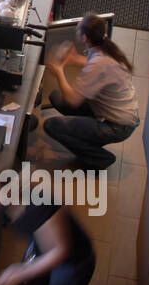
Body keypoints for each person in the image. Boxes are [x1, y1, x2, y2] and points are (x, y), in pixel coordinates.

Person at [40, 12, 142, 169]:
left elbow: (73, 100)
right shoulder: (107, 49)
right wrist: (74, 59)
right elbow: (97, 65)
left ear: (85, 38)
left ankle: (99, 158)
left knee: (52, 125)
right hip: (118, 114)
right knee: (56, 97)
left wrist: (59, 72)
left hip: (117, 126)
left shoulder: (98, 64)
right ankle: (88, 135)